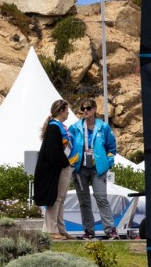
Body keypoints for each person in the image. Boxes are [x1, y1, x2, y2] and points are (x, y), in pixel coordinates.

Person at [68, 97, 118, 240]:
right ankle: (89, 231)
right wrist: (71, 161)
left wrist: (108, 163)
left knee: (101, 198)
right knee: (84, 201)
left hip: (98, 168)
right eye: (82, 109)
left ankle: (110, 230)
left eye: (88, 108)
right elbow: (67, 144)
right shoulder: (75, 127)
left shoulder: (103, 127)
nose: (85, 111)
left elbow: (111, 147)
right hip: (80, 169)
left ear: (95, 109)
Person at [33, 99, 72, 241]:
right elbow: (53, 151)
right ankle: (51, 230)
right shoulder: (54, 127)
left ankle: (61, 229)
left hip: (63, 166)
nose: (68, 112)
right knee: (55, 198)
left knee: (61, 199)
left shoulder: (59, 127)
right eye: (67, 110)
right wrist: (65, 162)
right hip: (57, 167)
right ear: (61, 111)